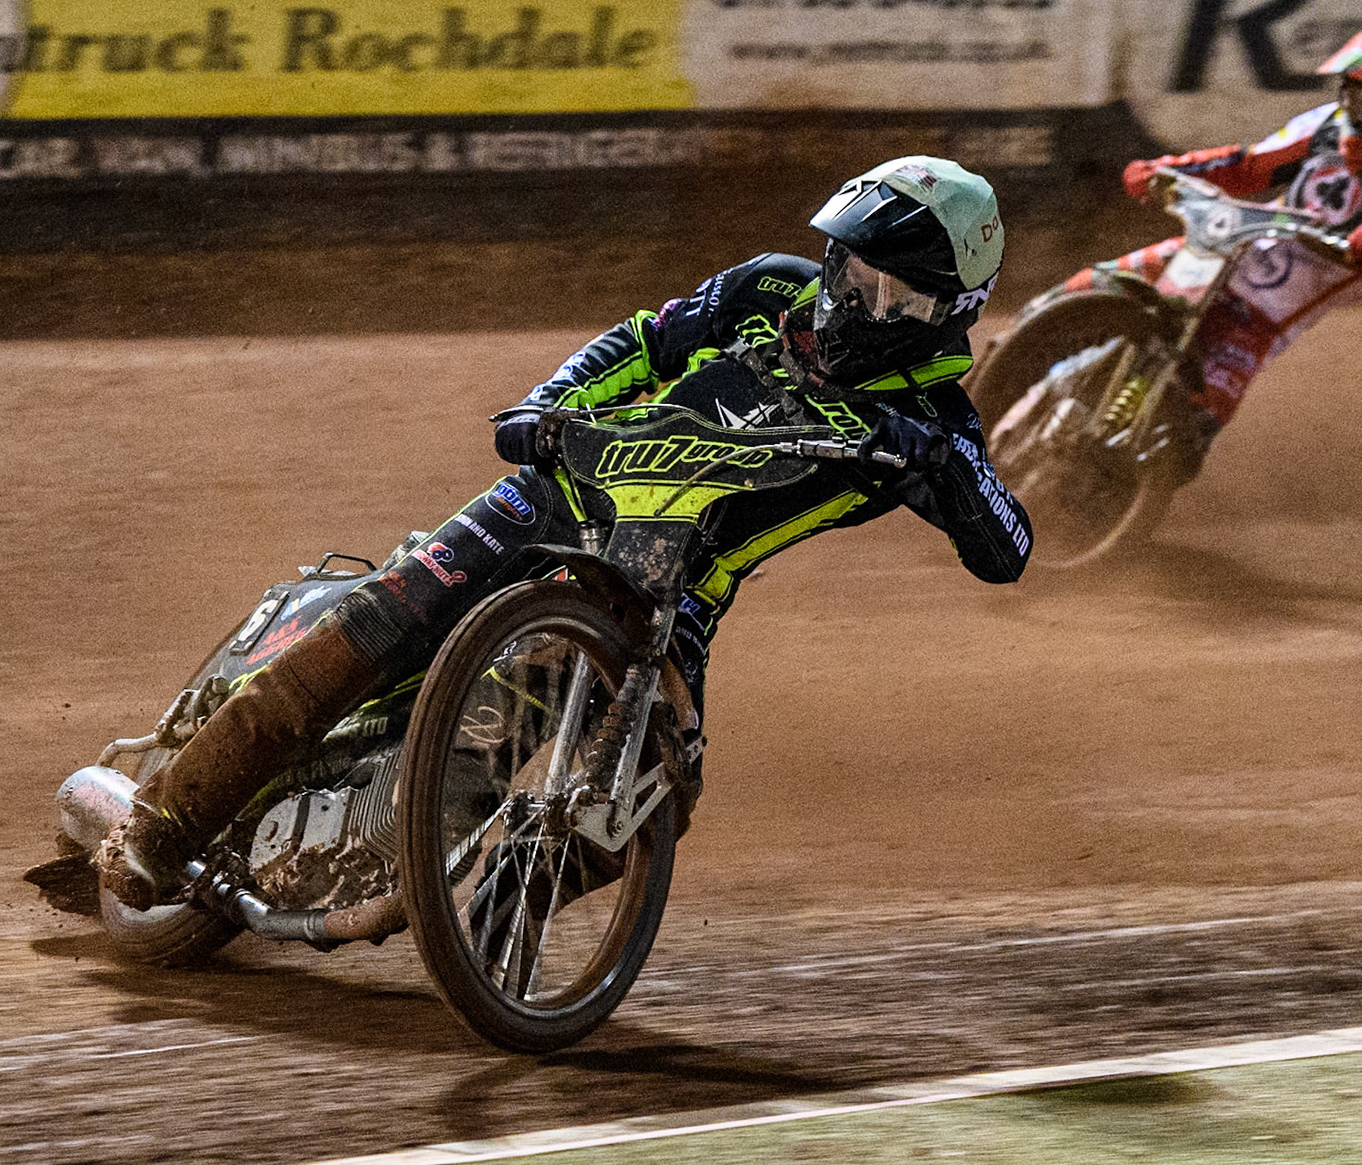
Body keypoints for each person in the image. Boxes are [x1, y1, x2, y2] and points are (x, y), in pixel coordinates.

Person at [99, 155, 1034, 910]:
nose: (855, 300)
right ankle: (160, 827)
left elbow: (1011, 549)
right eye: (849, 271)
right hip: (559, 499)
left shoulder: (937, 423)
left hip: (679, 594)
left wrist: (941, 466)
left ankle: (494, 916)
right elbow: (642, 340)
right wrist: (548, 404)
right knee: (387, 618)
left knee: (660, 792)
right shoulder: (765, 293)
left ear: (947, 314)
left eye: (891, 295)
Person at [1074, 16, 1362, 477]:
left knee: (1184, 441)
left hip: (1261, 320)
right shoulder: (1326, 127)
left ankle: (1107, 500)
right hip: (1216, 254)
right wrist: (1168, 169)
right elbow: (1248, 168)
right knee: (1087, 288)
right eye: (1358, 100)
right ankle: (991, 381)